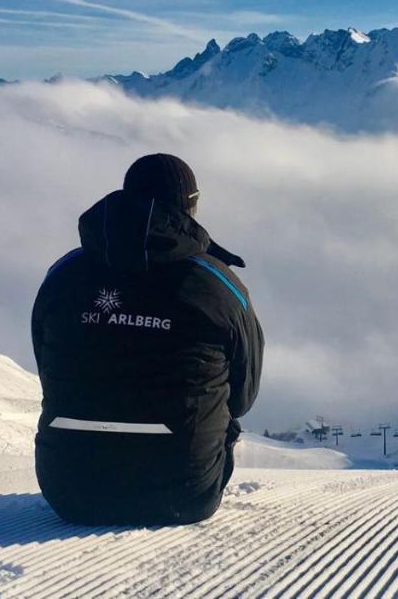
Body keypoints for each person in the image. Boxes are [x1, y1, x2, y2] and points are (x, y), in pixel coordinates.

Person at [31, 153, 264, 526]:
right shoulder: (218, 285)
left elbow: (47, 370)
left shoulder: (63, 276)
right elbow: (242, 396)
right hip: (186, 492)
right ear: (190, 206)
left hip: (68, 489)